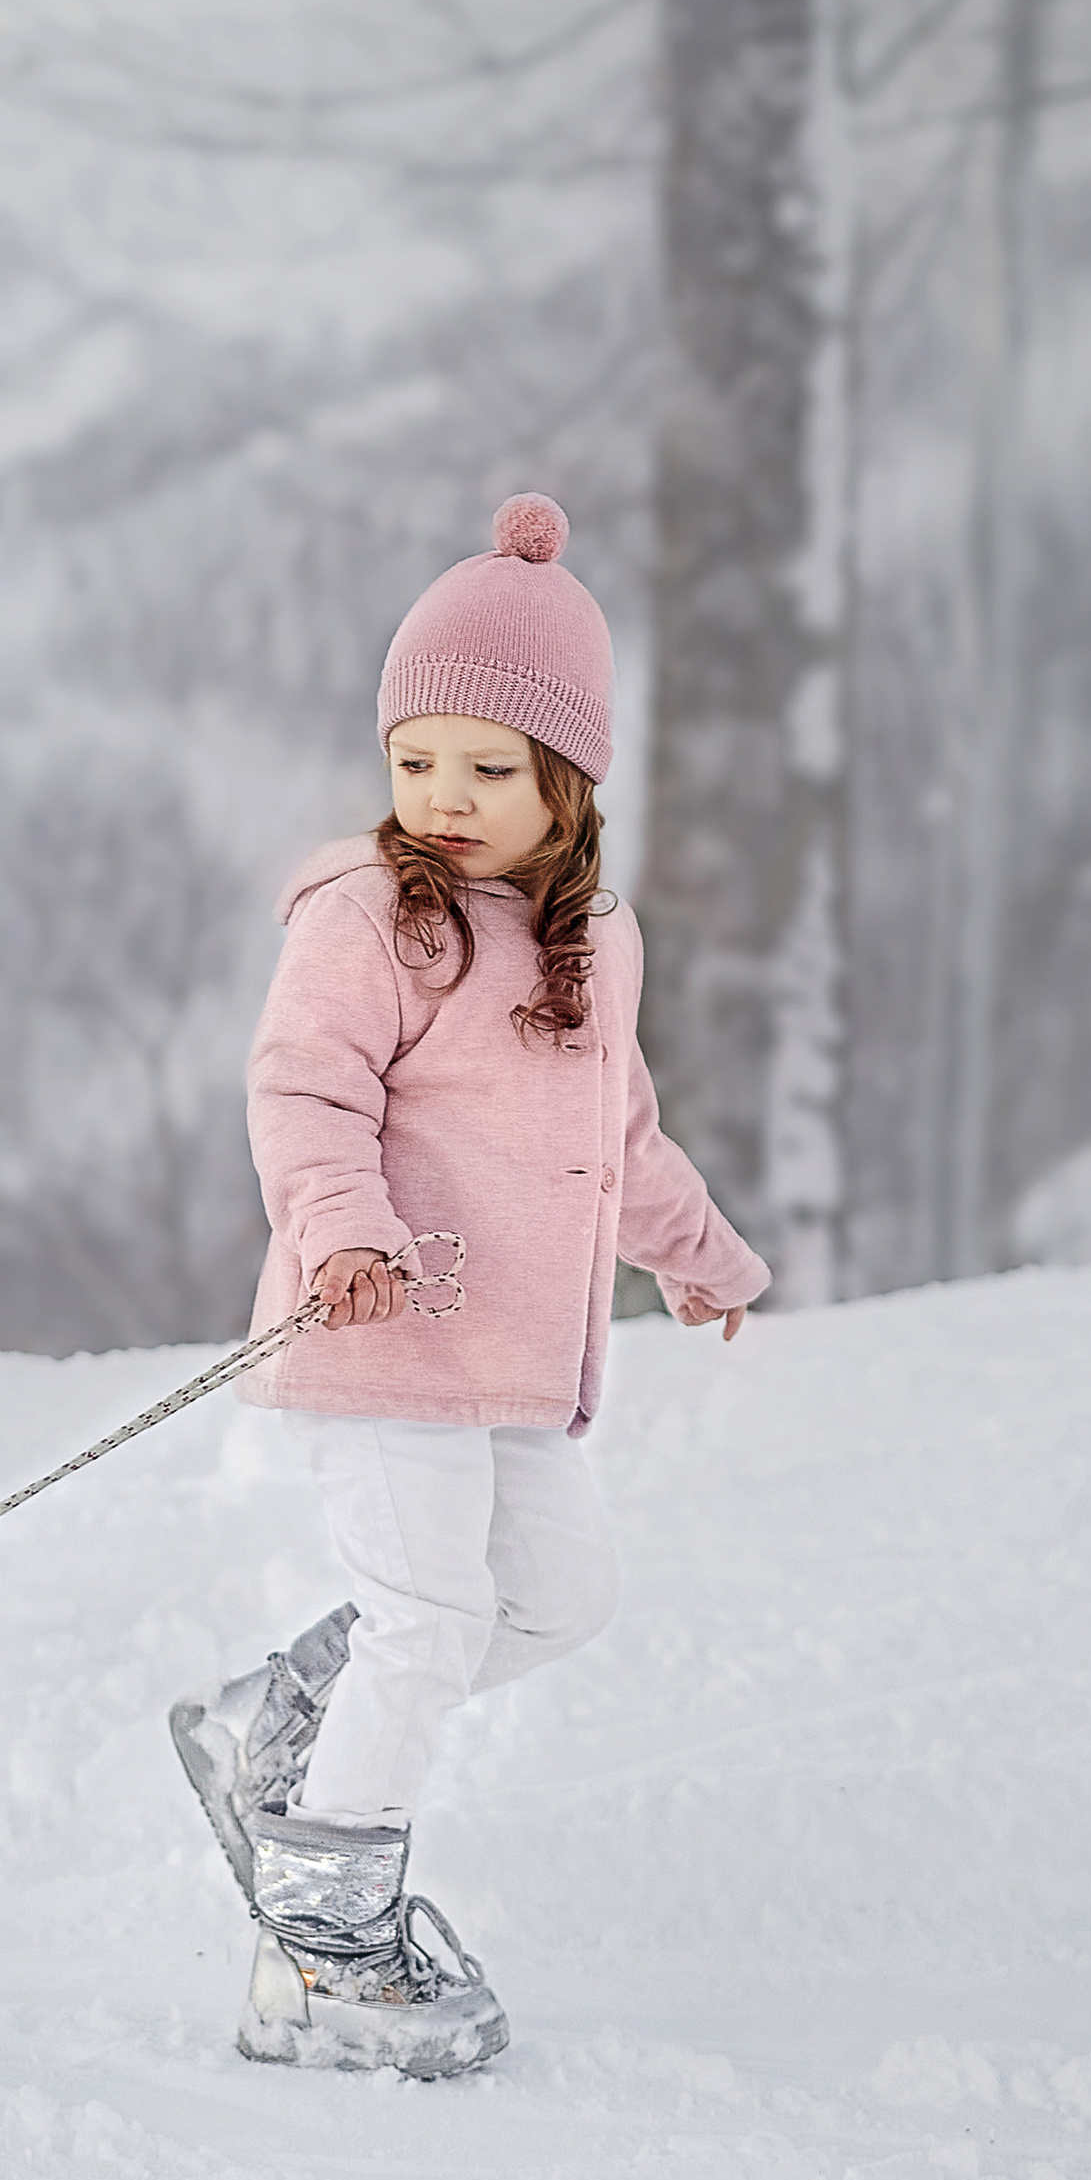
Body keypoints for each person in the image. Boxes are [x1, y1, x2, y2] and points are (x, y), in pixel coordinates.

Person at [170, 492, 769, 2079]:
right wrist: (342, 1231)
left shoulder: (599, 941)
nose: (442, 797)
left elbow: (616, 1135)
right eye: (413, 760)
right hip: (382, 1331)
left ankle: (275, 1725)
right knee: (429, 1619)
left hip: (515, 1361)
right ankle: (321, 1954)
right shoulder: (371, 916)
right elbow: (304, 1090)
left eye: (488, 769)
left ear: (569, 782)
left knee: (556, 1602)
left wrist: (700, 1256)